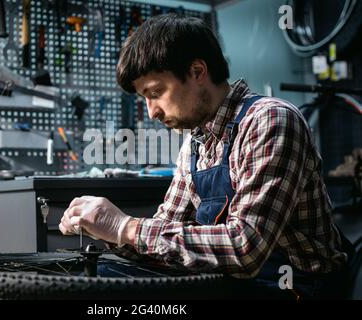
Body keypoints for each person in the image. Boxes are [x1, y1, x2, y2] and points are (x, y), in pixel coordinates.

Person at [59, 13, 353, 299]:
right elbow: (164, 233)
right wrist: (106, 231)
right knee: (96, 279)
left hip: (296, 286)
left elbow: (244, 248)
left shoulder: (270, 120)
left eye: (156, 92)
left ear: (198, 72)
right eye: (144, 99)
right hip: (235, 282)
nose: (152, 112)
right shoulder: (195, 142)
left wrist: (125, 227)